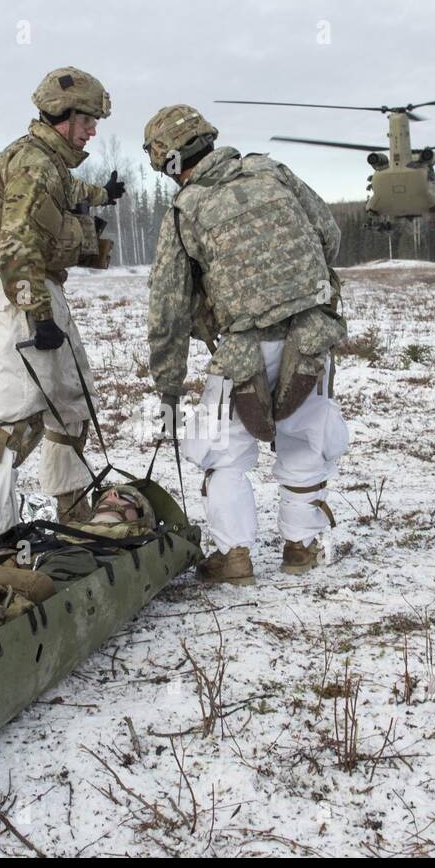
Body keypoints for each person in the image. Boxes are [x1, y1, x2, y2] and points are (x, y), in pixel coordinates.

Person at [144, 105, 349, 585]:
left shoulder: (185, 209)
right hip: (310, 337)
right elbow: (329, 236)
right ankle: (302, 545)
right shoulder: (272, 171)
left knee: (224, 452)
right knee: (304, 436)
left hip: (243, 350)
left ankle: (233, 557)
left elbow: (168, 305)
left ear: (168, 162)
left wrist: (168, 387)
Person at [0, 67, 126, 558]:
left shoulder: (45, 160)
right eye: (89, 120)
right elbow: (15, 248)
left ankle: (72, 506)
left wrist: (101, 195)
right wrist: (40, 316)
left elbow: (67, 193)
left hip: (37, 289)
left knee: (71, 400)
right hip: (21, 295)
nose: (93, 129)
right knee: (21, 418)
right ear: (63, 116)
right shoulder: (33, 165)